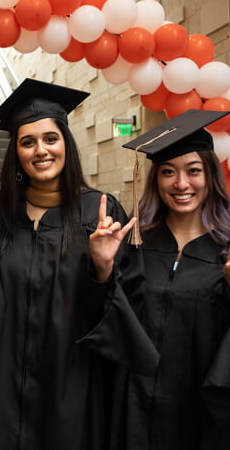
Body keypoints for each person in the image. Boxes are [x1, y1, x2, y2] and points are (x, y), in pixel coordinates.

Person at [0, 79, 159, 450]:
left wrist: (103, 270)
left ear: (66, 145)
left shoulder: (99, 212)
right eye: (28, 142)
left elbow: (130, 306)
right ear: (16, 153)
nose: (40, 150)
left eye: (50, 139)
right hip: (0, 387)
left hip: (72, 383)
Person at [94, 109, 230, 450]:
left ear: (210, 175)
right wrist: (102, 270)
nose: (181, 184)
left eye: (193, 171)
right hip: (132, 411)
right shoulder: (134, 245)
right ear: (155, 179)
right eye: (168, 172)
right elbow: (107, 325)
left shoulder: (226, 254)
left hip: (201, 415)